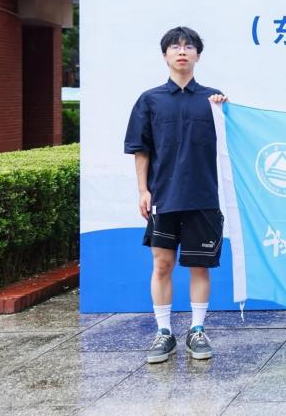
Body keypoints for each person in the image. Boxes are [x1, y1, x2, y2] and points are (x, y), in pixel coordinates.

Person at [124, 27, 227, 364]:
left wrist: (225, 112)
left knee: (199, 266)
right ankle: (164, 332)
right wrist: (143, 190)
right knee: (162, 264)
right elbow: (141, 149)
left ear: (198, 55)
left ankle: (197, 330)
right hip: (163, 197)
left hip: (203, 197)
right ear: (165, 55)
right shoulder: (150, 100)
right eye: (175, 47)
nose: (182, 51)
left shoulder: (213, 100)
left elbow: (233, 141)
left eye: (188, 46)